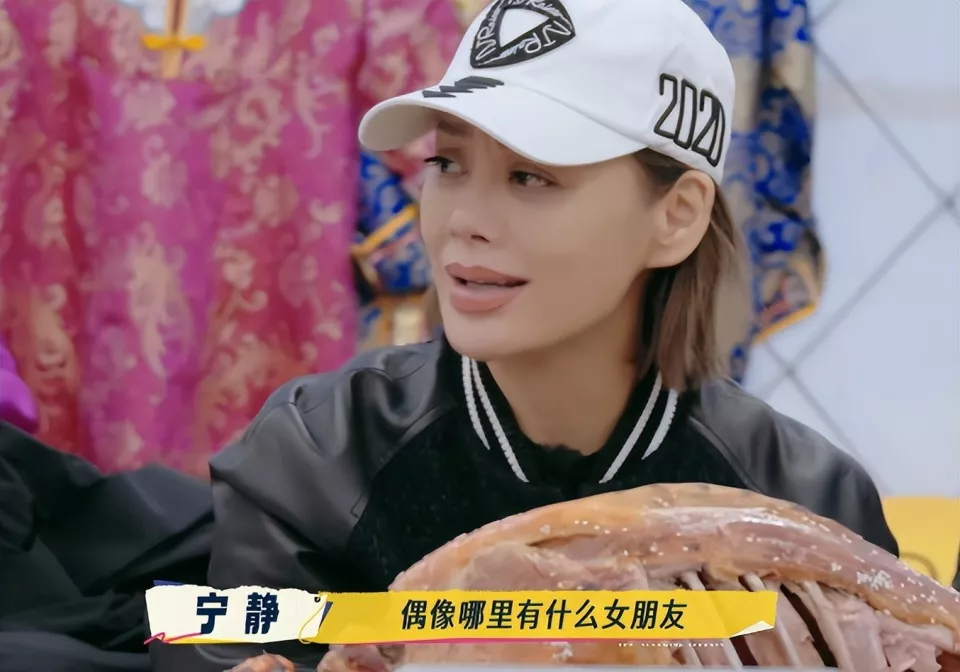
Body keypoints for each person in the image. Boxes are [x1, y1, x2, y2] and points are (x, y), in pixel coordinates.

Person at [172, 0, 898, 669]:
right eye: (447, 163)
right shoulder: (317, 457)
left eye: (530, 177)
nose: (463, 220)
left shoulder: (806, 504)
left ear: (676, 216)